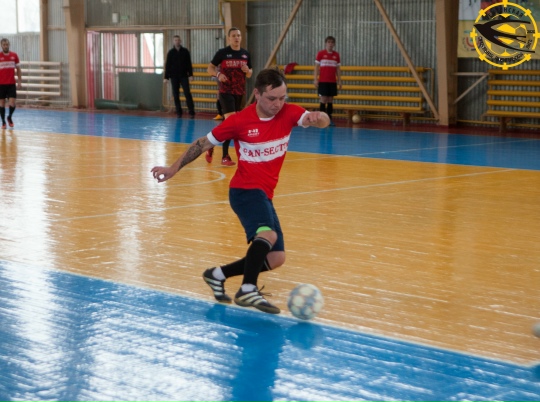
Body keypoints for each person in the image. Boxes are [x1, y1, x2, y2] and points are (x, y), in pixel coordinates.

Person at [151, 68, 330, 314]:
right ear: (257, 94)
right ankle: (247, 289)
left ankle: (217, 275)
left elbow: (323, 122)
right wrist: (173, 168)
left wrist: (319, 117)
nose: (278, 104)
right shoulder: (239, 121)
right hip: (245, 190)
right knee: (267, 235)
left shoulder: (289, 113)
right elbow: (202, 143)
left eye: (282, 98)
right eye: (272, 98)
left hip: (265, 194)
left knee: (276, 257)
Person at [206, 27, 253, 166]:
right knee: (232, 122)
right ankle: (225, 156)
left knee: (228, 124)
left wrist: (248, 70)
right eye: (234, 35)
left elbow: (249, 73)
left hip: (239, 92)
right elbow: (210, 68)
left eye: (238, 35)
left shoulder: (245, 54)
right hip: (226, 91)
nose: (236, 38)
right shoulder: (222, 53)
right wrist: (218, 74)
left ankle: (210, 143)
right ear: (229, 38)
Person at [164, 35, 195, 118]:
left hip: (184, 75)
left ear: (180, 41)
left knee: (187, 93)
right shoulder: (170, 52)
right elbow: (168, 65)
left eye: (178, 40)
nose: (177, 41)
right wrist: (166, 77)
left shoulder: (185, 51)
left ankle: (191, 112)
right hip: (174, 76)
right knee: (176, 94)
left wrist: (191, 75)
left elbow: (189, 64)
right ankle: (179, 112)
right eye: (175, 40)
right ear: (173, 41)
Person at [314, 36, 341, 126]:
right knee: (323, 99)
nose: (330, 44)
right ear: (326, 43)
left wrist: (339, 80)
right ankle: (321, 119)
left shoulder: (336, 55)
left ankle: (329, 119)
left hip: (332, 81)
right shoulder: (321, 54)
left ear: (334, 44)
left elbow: (338, 69)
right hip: (323, 81)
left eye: (332, 42)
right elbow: (316, 68)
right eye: (328, 42)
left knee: (330, 100)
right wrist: (315, 79)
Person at [0, 38, 22, 130]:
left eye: (7, 44)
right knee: (2, 103)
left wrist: (19, 81)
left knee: (12, 103)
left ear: (9, 45)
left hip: (11, 83)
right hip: (1, 84)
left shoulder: (14, 55)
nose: (5, 46)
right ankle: (3, 122)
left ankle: (9, 117)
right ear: (1, 46)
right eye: (4, 45)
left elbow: (18, 69)